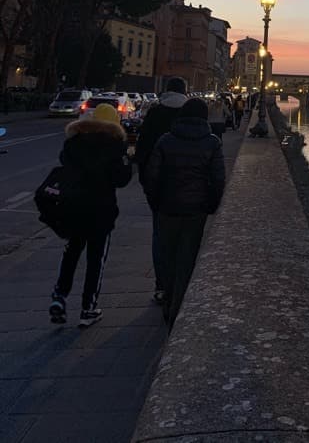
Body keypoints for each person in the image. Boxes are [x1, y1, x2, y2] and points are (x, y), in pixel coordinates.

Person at [143, 97, 225, 331]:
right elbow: (218, 180)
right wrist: (211, 205)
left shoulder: (166, 140)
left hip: (167, 208)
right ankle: (176, 308)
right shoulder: (212, 143)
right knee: (187, 258)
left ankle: (167, 296)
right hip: (195, 210)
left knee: (167, 255)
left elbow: (152, 177)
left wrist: (155, 203)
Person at [49, 103, 132, 327]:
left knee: (71, 253)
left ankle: (60, 296)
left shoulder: (74, 143)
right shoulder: (115, 147)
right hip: (101, 211)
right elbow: (122, 180)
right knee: (96, 260)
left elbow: (64, 162)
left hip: (73, 208)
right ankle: (88, 308)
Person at [134, 77, 188, 304]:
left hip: (158, 187)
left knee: (160, 234)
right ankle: (182, 283)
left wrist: (146, 182)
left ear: (166, 91)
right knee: (187, 237)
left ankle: (161, 284)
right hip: (188, 187)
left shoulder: (155, 113)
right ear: (185, 91)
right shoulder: (192, 111)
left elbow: (142, 149)